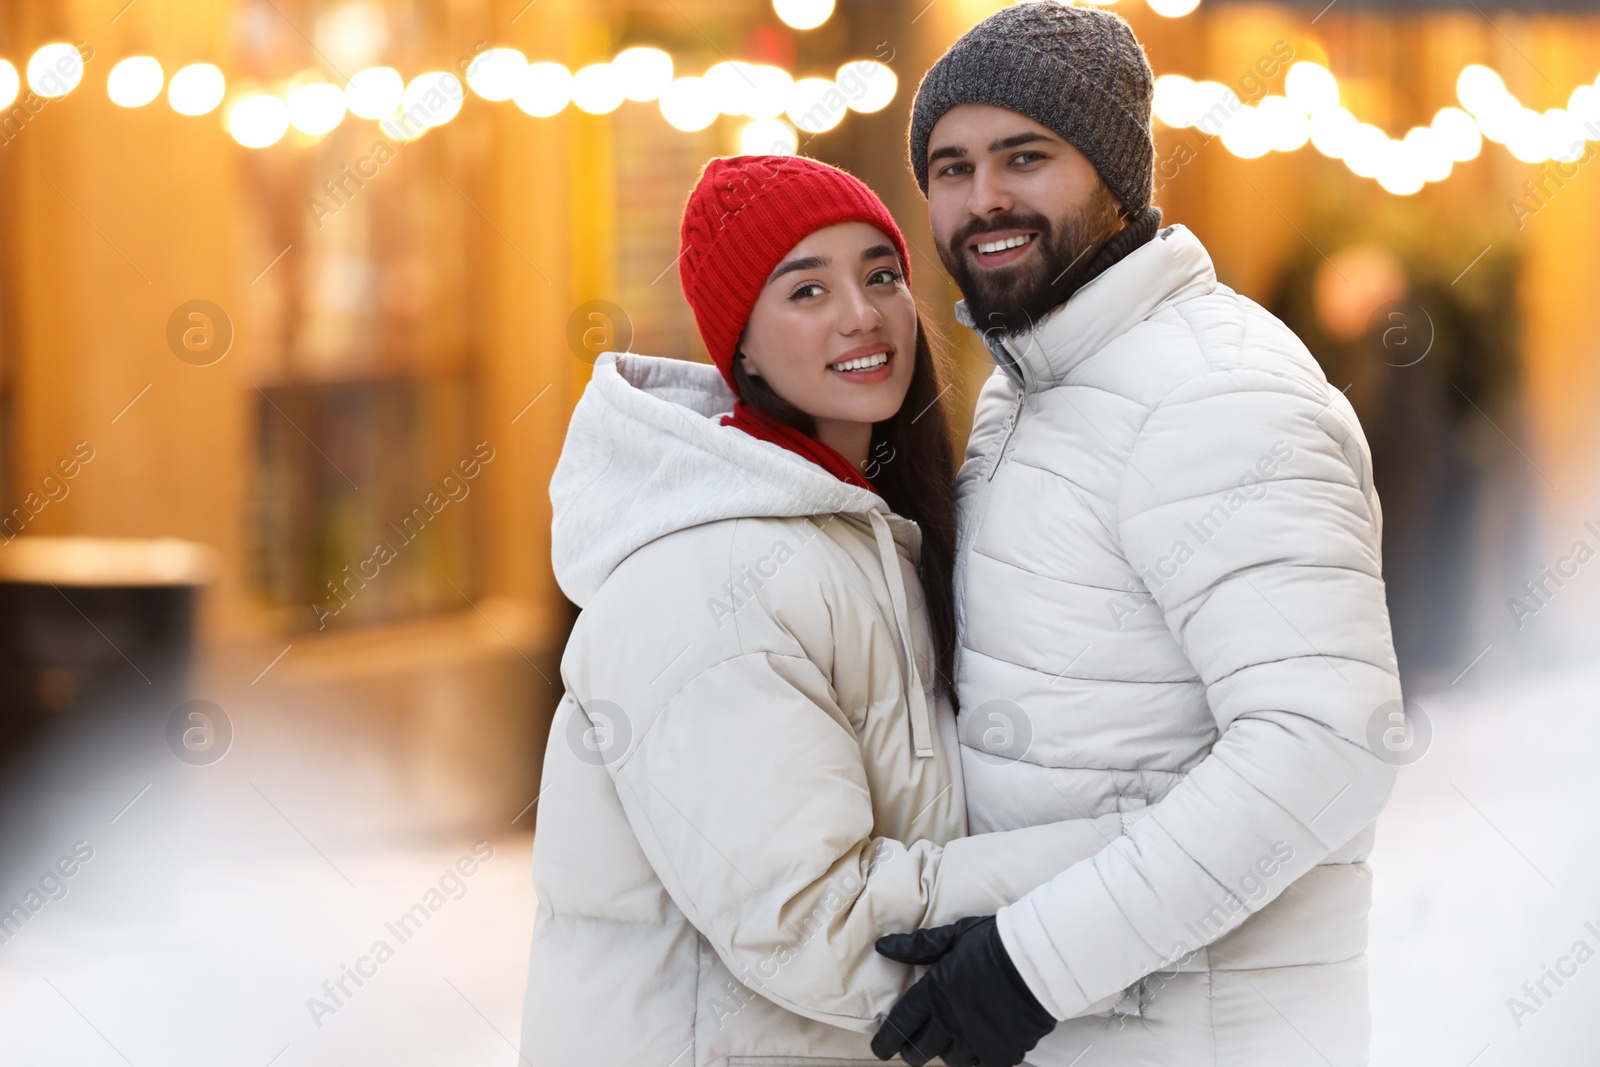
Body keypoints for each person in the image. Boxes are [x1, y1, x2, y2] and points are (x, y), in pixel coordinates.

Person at [871, 6, 1403, 1067]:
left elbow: (1326, 742)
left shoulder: (1215, 393)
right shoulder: (1040, 384)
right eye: (951, 166)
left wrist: (1035, 961)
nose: (985, 200)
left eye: (1026, 156)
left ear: (1115, 172)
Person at [519, 154, 1132, 1066]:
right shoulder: (707, 576)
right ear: (743, 347)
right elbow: (813, 922)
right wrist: (1135, 862)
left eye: (881, 274)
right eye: (806, 290)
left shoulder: (872, 536)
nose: (862, 312)